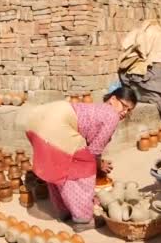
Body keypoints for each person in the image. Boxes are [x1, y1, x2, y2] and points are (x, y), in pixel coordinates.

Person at [24, 87, 137, 232]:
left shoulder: (97, 109)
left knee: (58, 164)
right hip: (56, 122)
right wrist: (98, 166)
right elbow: (94, 150)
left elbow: (93, 144)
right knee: (82, 167)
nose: (124, 112)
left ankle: (63, 211)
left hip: (37, 120)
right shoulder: (111, 115)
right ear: (113, 99)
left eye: (129, 111)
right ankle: (83, 220)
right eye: (124, 106)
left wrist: (99, 162)